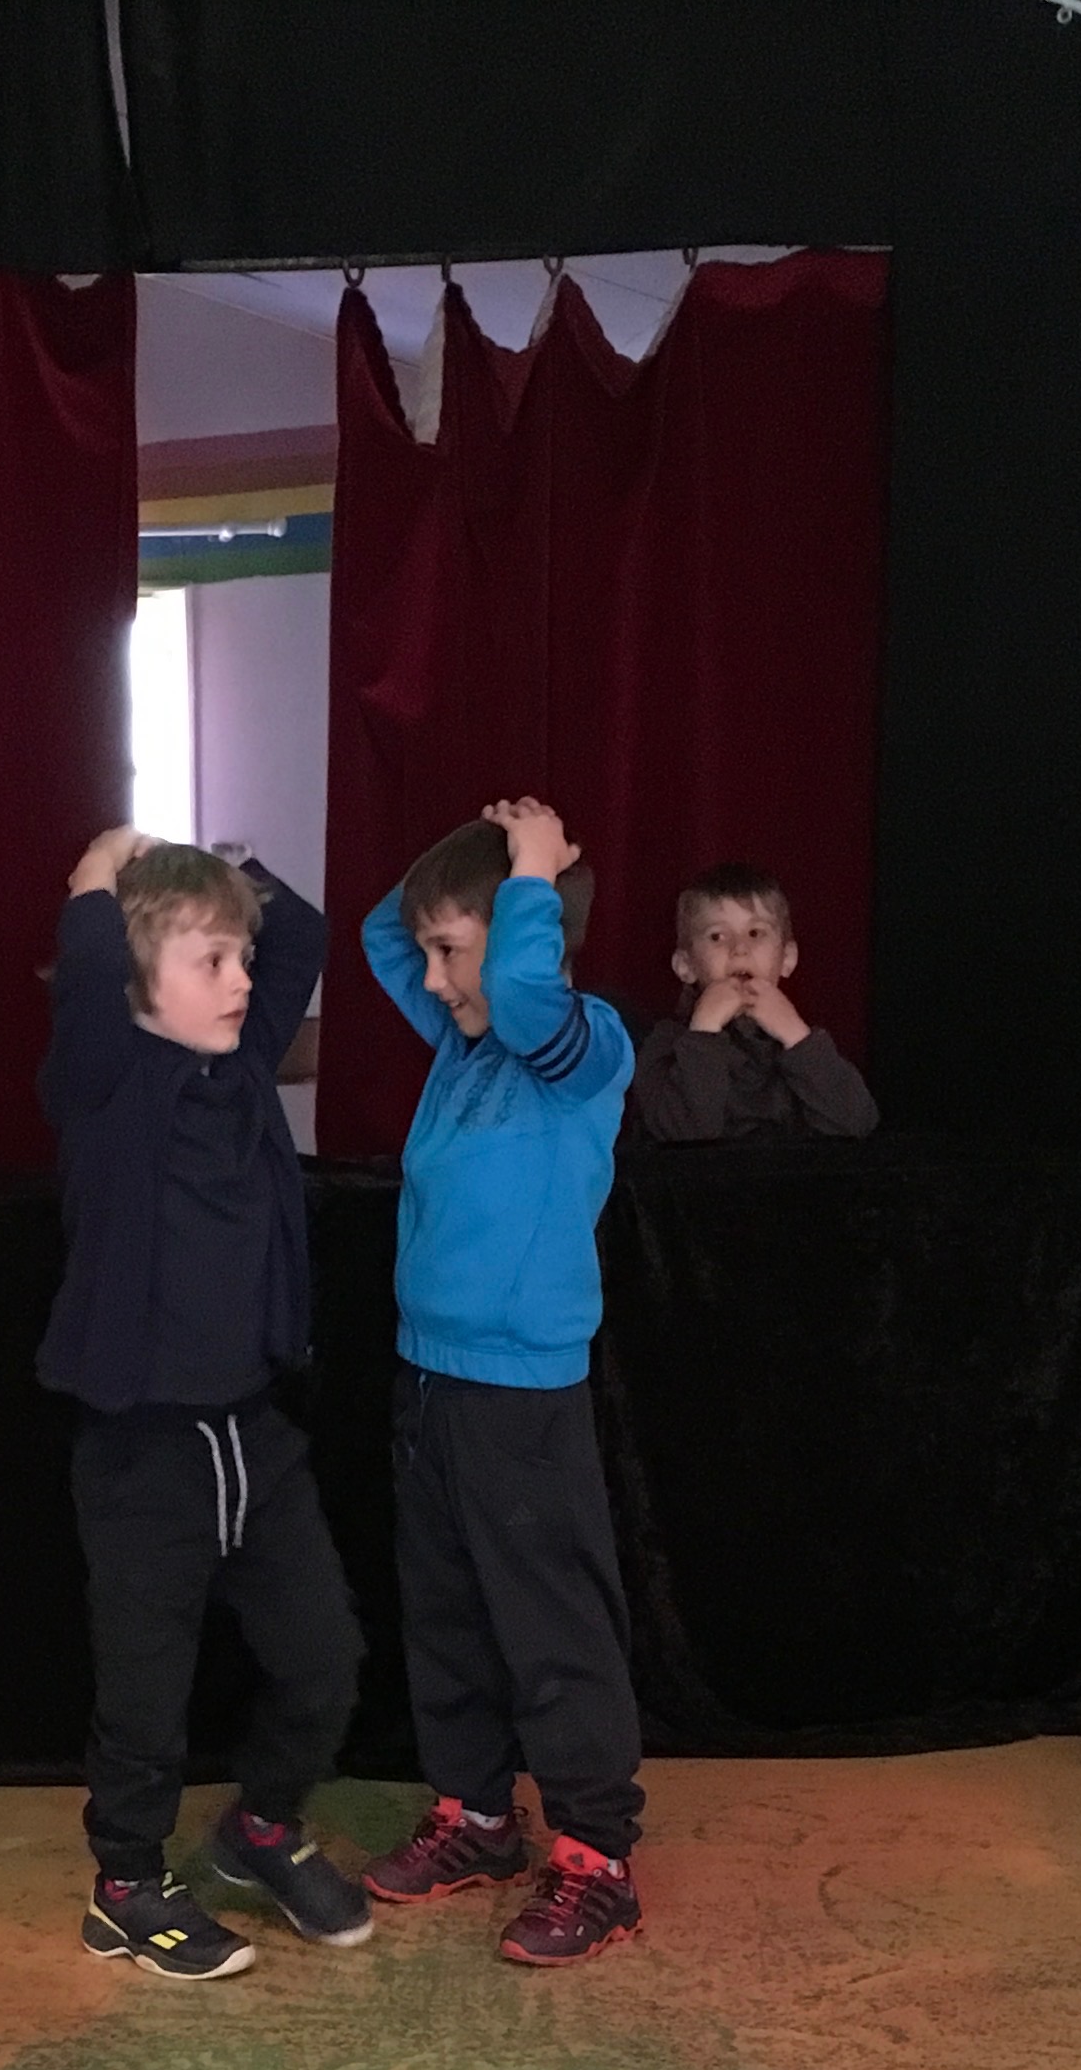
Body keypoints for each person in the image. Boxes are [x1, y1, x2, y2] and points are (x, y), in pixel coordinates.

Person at [37, 825, 367, 1978]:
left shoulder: (242, 1068)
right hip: (146, 1454)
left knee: (324, 1659)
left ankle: (262, 1827)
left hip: (255, 1440)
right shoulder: (106, 1086)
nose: (239, 983)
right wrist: (97, 882)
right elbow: (89, 989)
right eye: (209, 962)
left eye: (239, 960)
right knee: (147, 1691)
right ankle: (126, 1886)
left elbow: (301, 935)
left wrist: (217, 870)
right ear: (136, 985)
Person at [352, 800, 646, 1965]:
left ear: (532, 936)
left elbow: (524, 992)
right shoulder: (462, 1046)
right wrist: (474, 862)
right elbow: (383, 934)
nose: (430, 979)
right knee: (449, 1614)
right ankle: (477, 1817)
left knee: (551, 1624)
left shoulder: (586, 1049)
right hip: (429, 1378)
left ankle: (597, 1858)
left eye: (452, 952)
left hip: (522, 1397)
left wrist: (531, 871)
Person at [625, 863, 878, 1144]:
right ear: (686, 965)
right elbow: (682, 1137)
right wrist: (704, 1030)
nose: (739, 949)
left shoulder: (801, 1045)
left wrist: (797, 1036)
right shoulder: (666, 1044)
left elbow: (857, 1124)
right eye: (717, 937)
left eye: (755, 933)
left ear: (787, 958)